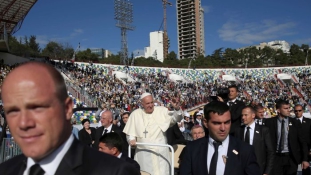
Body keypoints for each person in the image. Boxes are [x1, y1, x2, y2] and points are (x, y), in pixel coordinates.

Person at [0, 62, 140, 175]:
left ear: (67, 109)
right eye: (13, 111)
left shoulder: (116, 171)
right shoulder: (5, 170)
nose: (24, 123)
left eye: (37, 108)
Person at [180, 101, 260, 175]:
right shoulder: (192, 148)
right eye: (217, 123)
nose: (223, 128)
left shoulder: (245, 150)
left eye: (227, 122)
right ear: (205, 122)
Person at [123, 92, 183, 175]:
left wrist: (177, 109)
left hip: (161, 152)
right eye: (147, 103)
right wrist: (131, 140)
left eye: (152, 102)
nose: (150, 105)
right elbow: (130, 133)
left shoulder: (161, 111)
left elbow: (176, 119)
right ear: (142, 104)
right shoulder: (135, 114)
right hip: (144, 153)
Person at [265, 100, 309, 175]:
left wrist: (305, 159)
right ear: (278, 110)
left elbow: (302, 141)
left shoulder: (295, 122)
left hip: (291, 158)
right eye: (285, 108)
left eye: (289, 108)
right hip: (276, 158)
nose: (289, 110)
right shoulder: (269, 122)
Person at [233, 106, 275, 175]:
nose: (243, 117)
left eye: (246, 115)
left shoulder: (263, 130)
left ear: (253, 115)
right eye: (242, 115)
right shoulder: (238, 130)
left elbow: (270, 152)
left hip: (259, 169)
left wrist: (267, 172)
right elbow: (235, 149)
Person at [294, 104, 311, 175]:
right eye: (296, 111)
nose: (298, 112)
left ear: (303, 111)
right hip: (295, 149)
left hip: (306, 149)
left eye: (299, 110)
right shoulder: (291, 122)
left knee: (306, 169)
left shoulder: (309, 122)